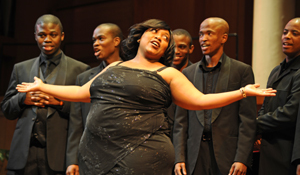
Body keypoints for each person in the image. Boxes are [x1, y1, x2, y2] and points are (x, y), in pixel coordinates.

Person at [16, 19, 275, 175]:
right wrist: (44, 86)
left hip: (143, 155)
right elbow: (82, 93)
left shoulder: (168, 73)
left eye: (165, 39)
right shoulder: (115, 66)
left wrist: (242, 92)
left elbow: (199, 101)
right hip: (95, 154)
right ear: (139, 37)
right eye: (155, 33)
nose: (159, 39)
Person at [0, 14, 90, 175]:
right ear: (35, 36)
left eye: (53, 35)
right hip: (24, 154)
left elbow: (85, 114)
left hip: (58, 154)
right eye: (42, 35)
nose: (47, 39)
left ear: (62, 36)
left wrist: (59, 103)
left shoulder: (80, 70)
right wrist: (23, 99)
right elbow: (6, 109)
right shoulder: (21, 68)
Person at [173, 17, 257, 175]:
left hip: (228, 154)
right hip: (194, 155)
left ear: (224, 38)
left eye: (209, 34)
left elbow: (247, 121)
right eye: (201, 34)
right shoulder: (188, 73)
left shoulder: (241, 71)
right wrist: (179, 157)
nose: (203, 39)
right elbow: (180, 122)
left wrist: (242, 158)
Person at [66, 23, 122, 175]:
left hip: (123, 155)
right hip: (90, 157)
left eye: (101, 39)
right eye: (93, 40)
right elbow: (76, 124)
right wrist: (72, 160)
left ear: (116, 41)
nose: (95, 44)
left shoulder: (132, 73)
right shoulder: (84, 78)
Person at [256, 17, 300, 175]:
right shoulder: (276, 71)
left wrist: (256, 124)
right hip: (267, 151)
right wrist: (258, 126)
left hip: (287, 154)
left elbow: (291, 113)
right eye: (285, 32)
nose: (287, 36)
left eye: (294, 33)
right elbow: (265, 106)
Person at [168, 28, 194, 141]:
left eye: (182, 47)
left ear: (191, 49)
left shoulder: (197, 75)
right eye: (173, 47)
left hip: (190, 139)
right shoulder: (161, 73)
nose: (176, 51)